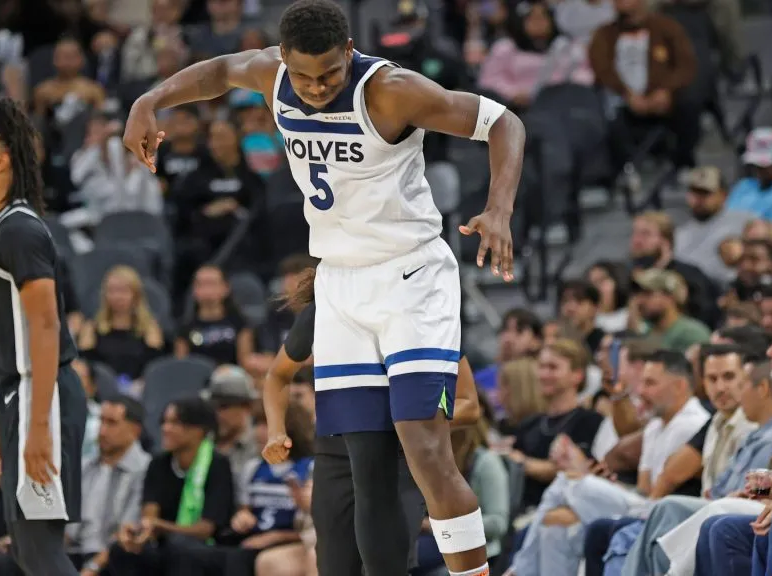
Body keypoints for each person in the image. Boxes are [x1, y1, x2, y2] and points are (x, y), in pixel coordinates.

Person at [123, 1, 526, 573]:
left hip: (410, 275)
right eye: (304, 75)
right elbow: (216, 72)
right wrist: (148, 101)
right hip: (338, 282)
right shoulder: (272, 73)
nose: (314, 88)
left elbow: (503, 122)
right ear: (284, 58)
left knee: (424, 447)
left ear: (350, 53)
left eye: (329, 74)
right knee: (364, 463)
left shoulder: (390, 89)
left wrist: (499, 209)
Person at [261, 267, 481, 575]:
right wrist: (275, 431)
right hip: (335, 463)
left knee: (387, 569)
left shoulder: (422, 312)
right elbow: (276, 375)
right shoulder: (326, 309)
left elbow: (469, 406)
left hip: (398, 462)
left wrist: (409, 418)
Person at [0, 93, 87, 576]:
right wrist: (0, 417)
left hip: (40, 396)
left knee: (41, 551)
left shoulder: (18, 231)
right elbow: (11, 339)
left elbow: (46, 325)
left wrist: (36, 424)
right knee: (28, 551)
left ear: (2, 161)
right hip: (22, 395)